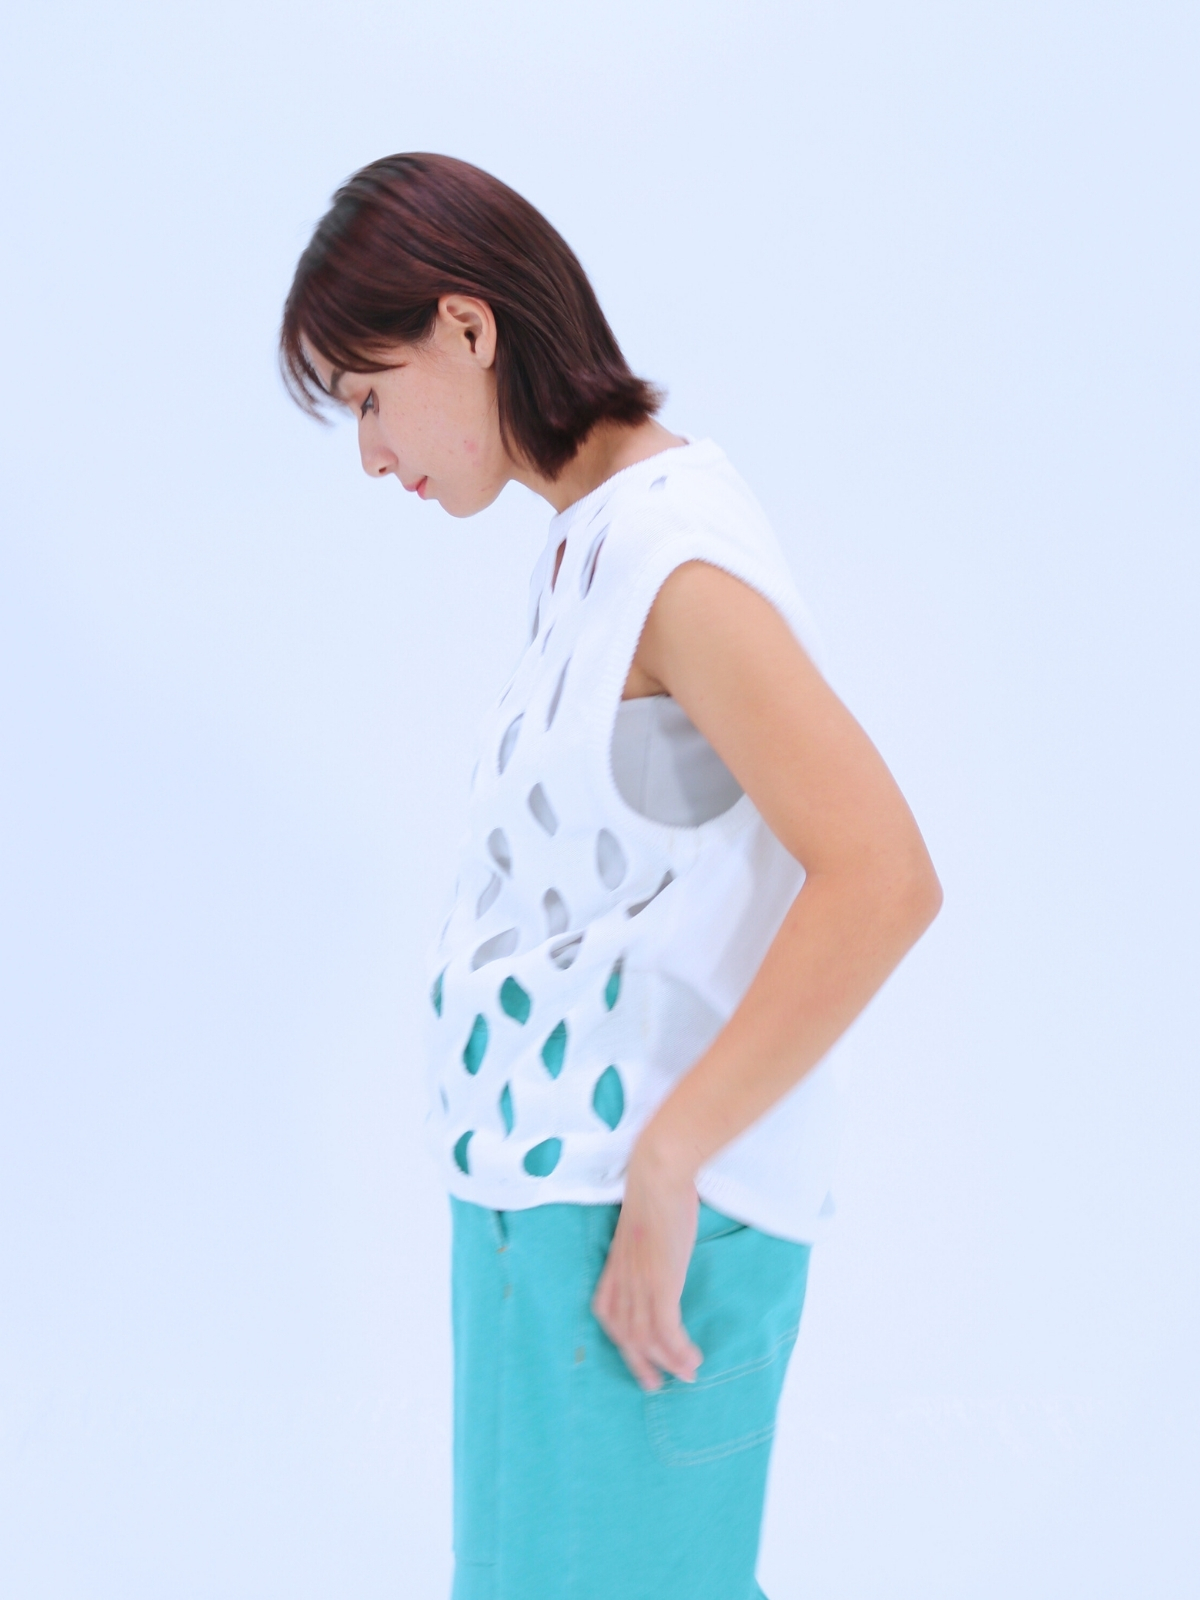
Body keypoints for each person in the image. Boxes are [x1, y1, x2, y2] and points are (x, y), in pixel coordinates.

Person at [280, 152, 941, 1600]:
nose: (372, 455)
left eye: (371, 396)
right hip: (542, 1205)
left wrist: (670, 1158)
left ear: (467, 326)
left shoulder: (672, 559)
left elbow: (883, 874)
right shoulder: (589, 544)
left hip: (632, 1218)